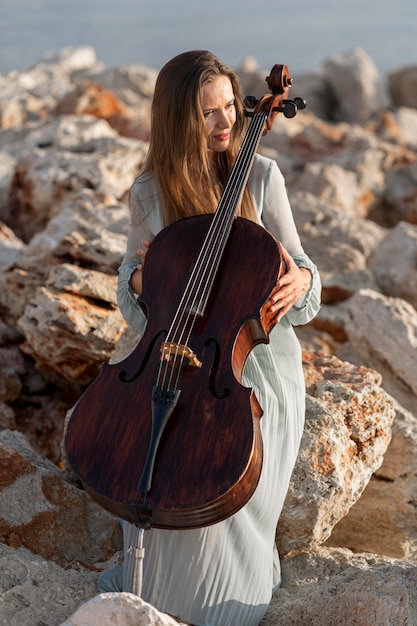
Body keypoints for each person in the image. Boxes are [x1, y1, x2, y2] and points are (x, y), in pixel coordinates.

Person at [98, 50, 321, 626]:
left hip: (250, 371)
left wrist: (300, 282)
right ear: (177, 120)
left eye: (230, 107)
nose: (226, 123)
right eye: (207, 113)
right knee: (148, 463)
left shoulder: (262, 178)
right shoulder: (150, 192)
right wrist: (143, 278)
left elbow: (308, 285)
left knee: (220, 476)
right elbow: (131, 303)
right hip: (170, 358)